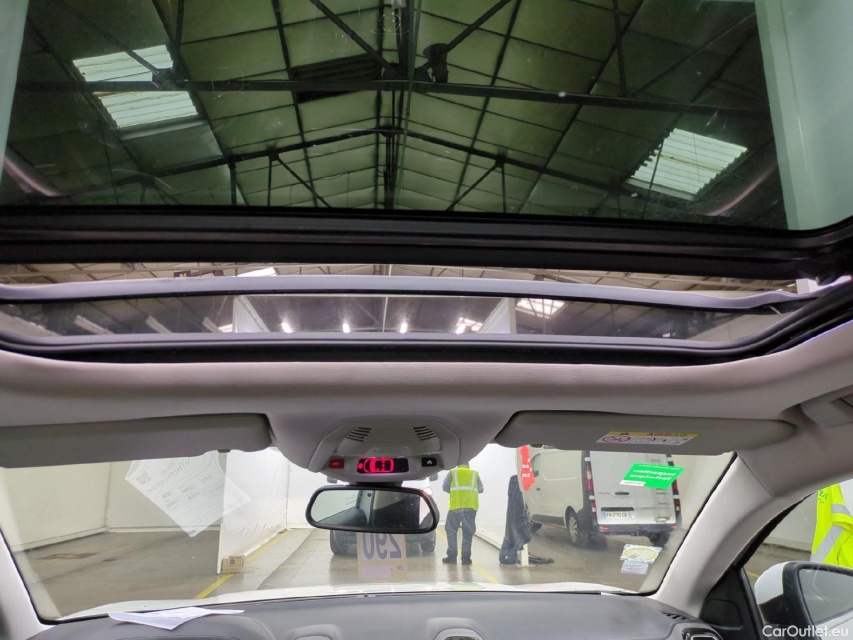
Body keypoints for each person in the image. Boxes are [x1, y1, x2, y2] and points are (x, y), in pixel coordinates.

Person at [442, 464, 483, 565]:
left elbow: (445, 487)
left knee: (451, 531)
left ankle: (452, 558)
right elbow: (481, 489)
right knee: (467, 534)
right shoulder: (474, 474)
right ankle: (466, 559)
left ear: (458, 465)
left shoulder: (453, 473)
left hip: (455, 507)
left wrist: (456, 493)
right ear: (468, 465)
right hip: (470, 508)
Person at [811, 479, 853, 568]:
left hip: (841, 568)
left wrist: (819, 567)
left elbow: (839, 526)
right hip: (837, 567)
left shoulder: (842, 480)